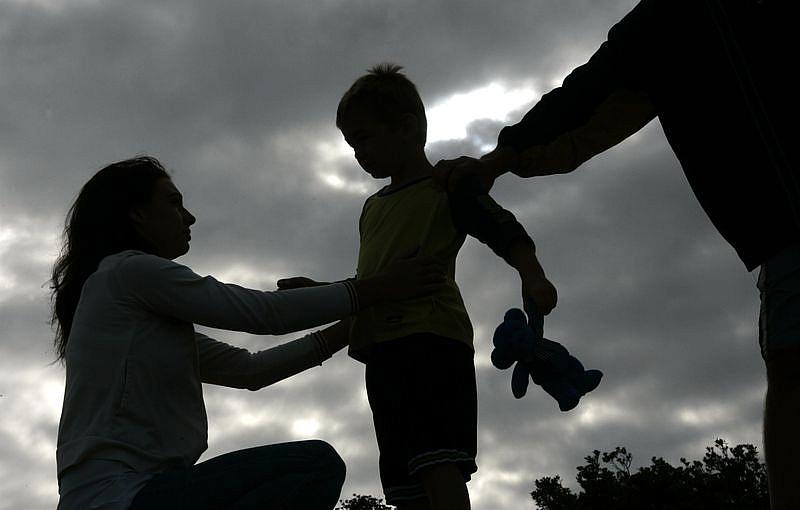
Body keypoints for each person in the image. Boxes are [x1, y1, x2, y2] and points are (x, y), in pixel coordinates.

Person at [433, 1, 798, 508]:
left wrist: (500, 159)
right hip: (785, 246)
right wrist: (502, 158)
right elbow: (584, 102)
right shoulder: (662, 27)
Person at [50, 156, 447, 510]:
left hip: (136, 493)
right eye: (173, 203)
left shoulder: (127, 308)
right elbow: (263, 314)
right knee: (313, 467)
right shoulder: (129, 272)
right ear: (136, 215)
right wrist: (376, 288)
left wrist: (351, 324)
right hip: (122, 496)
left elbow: (249, 370)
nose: (189, 218)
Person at [279, 64, 557, 510]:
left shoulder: (446, 186)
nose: (358, 153)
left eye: (364, 138)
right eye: (351, 145)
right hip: (381, 353)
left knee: (438, 463)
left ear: (406, 128)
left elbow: (500, 226)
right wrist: (319, 291)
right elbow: (375, 284)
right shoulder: (371, 209)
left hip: (432, 343)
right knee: (404, 480)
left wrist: (532, 272)